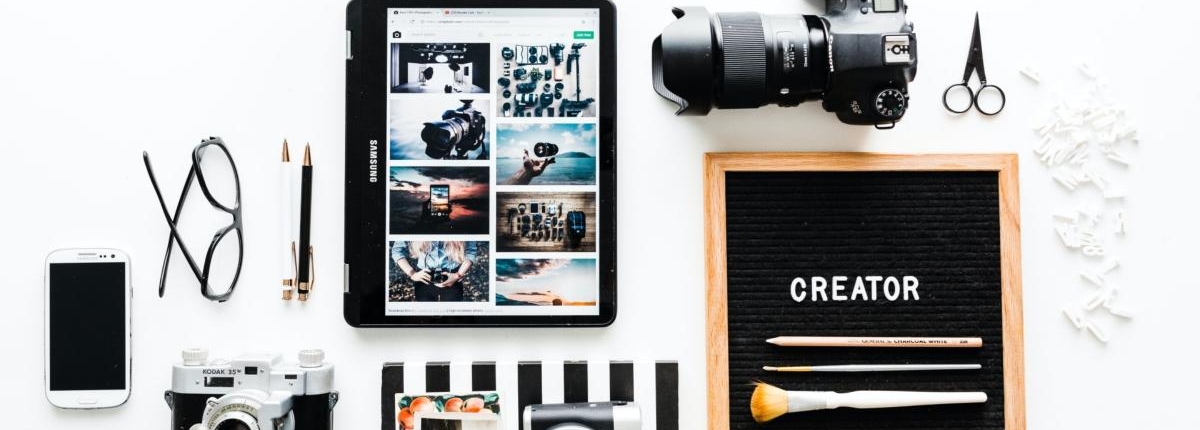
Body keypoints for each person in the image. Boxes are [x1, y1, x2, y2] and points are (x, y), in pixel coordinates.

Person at [392, 241, 477, 302]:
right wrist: (412, 274)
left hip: (452, 275)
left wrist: (458, 275)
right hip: (424, 276)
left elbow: (471, 251)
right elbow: (397, 251)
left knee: (452, 314)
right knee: (426, 314)